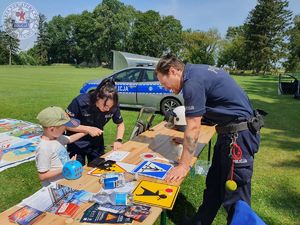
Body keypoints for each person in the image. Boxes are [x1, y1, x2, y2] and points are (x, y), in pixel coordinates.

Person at [155, 54, 263, 225]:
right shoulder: (196, 72)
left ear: (173, 71)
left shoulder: (192, 82)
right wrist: (187, 141)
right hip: (228, 133)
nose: (165, 88)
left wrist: (183, 166)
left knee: (236, 198)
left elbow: (193, 127)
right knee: (213, 186)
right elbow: (213, 108)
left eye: (164, 82)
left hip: (238, 138)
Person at [66, 78, 125, 165]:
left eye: (110, 106)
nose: (107, 109)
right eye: (105, 105)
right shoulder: (81, 101)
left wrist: (118, 140)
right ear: (97, 97)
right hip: (76, 143)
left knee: (97, 170)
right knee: (76, 173)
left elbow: (120, 124)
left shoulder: (113, 106)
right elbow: (66, 123)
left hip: (96, 144)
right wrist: (87, 129)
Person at [36, 106, 86, 187]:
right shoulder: (44, 148)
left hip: (66, 181)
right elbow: (42, 176)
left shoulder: (57, 137)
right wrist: (66, 168)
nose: (66, 128)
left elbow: (70, 139)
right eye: (64, 126)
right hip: (55, 187)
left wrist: (86, 132)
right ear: (52, 129)